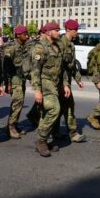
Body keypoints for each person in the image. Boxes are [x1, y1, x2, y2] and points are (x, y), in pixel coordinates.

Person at [31, 22, 68, 157]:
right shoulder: (40, 48)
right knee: (54, 109)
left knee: (45, 113)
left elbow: (61, 68)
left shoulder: (57, 46)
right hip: (44, 82)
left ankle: (44, 142)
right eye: (56, 30)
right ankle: (40, 140)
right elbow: (35, 71)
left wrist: (65, 84)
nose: (59, 32)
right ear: (48, 32)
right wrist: (37, 90)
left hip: (55, 83)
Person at [55, 19, 86, 143]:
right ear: (68, 30)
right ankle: (72, 133)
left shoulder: (71, 45)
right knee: (65, 106)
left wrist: (78, 79)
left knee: (64, 107)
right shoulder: (60, 44)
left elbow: (72, 65)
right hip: (60, 82)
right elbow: (60, 67)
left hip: (66, 81)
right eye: (75, 30)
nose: (77, 33)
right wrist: (65, 84)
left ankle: (56, 131)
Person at [2, 25, 30, 139]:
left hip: (21, 78)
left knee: (20, 103)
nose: (27, 36)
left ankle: (14, 124)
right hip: (14, 79)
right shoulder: (11, 47)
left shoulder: (24, 46)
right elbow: (6, 67)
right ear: (18, 35)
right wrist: (7, 83)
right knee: (17, 103)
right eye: (25, 34)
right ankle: (11, 127)